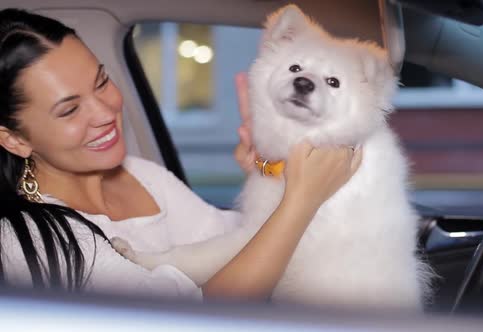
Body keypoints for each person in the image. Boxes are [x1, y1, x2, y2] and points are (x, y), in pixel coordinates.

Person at [0, 8, 362, 301]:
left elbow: (244, 245)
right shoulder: (26, 236)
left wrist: (271, 172)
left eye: (101, 82)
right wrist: (301, 200)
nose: (105, 111)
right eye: (69, 110)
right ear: (14, 139)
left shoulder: (141, 175)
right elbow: (190, 319)